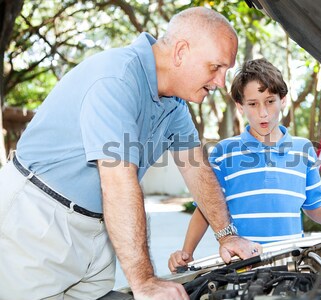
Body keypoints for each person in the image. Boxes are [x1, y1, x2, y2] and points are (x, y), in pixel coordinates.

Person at [0, 7, 262, 300]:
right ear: (181, 52)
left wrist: (227, 235)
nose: (220, 82)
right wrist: (145, 280)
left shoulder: (174, 104)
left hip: (97, 232)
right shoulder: (117, 79)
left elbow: (195, 167)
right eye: (216, 67)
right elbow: (118, 181)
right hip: (37, 221)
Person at [168, 58, 321, 273]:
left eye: (270, 101)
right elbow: (205, 208)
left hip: (292, 265)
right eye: (253, 104)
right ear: (240, 106)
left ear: (283, 100)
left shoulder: (303, 150)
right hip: (241, 266)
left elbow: (313, 206)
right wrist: (187, 253)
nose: (263, 113)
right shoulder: (223, 152)